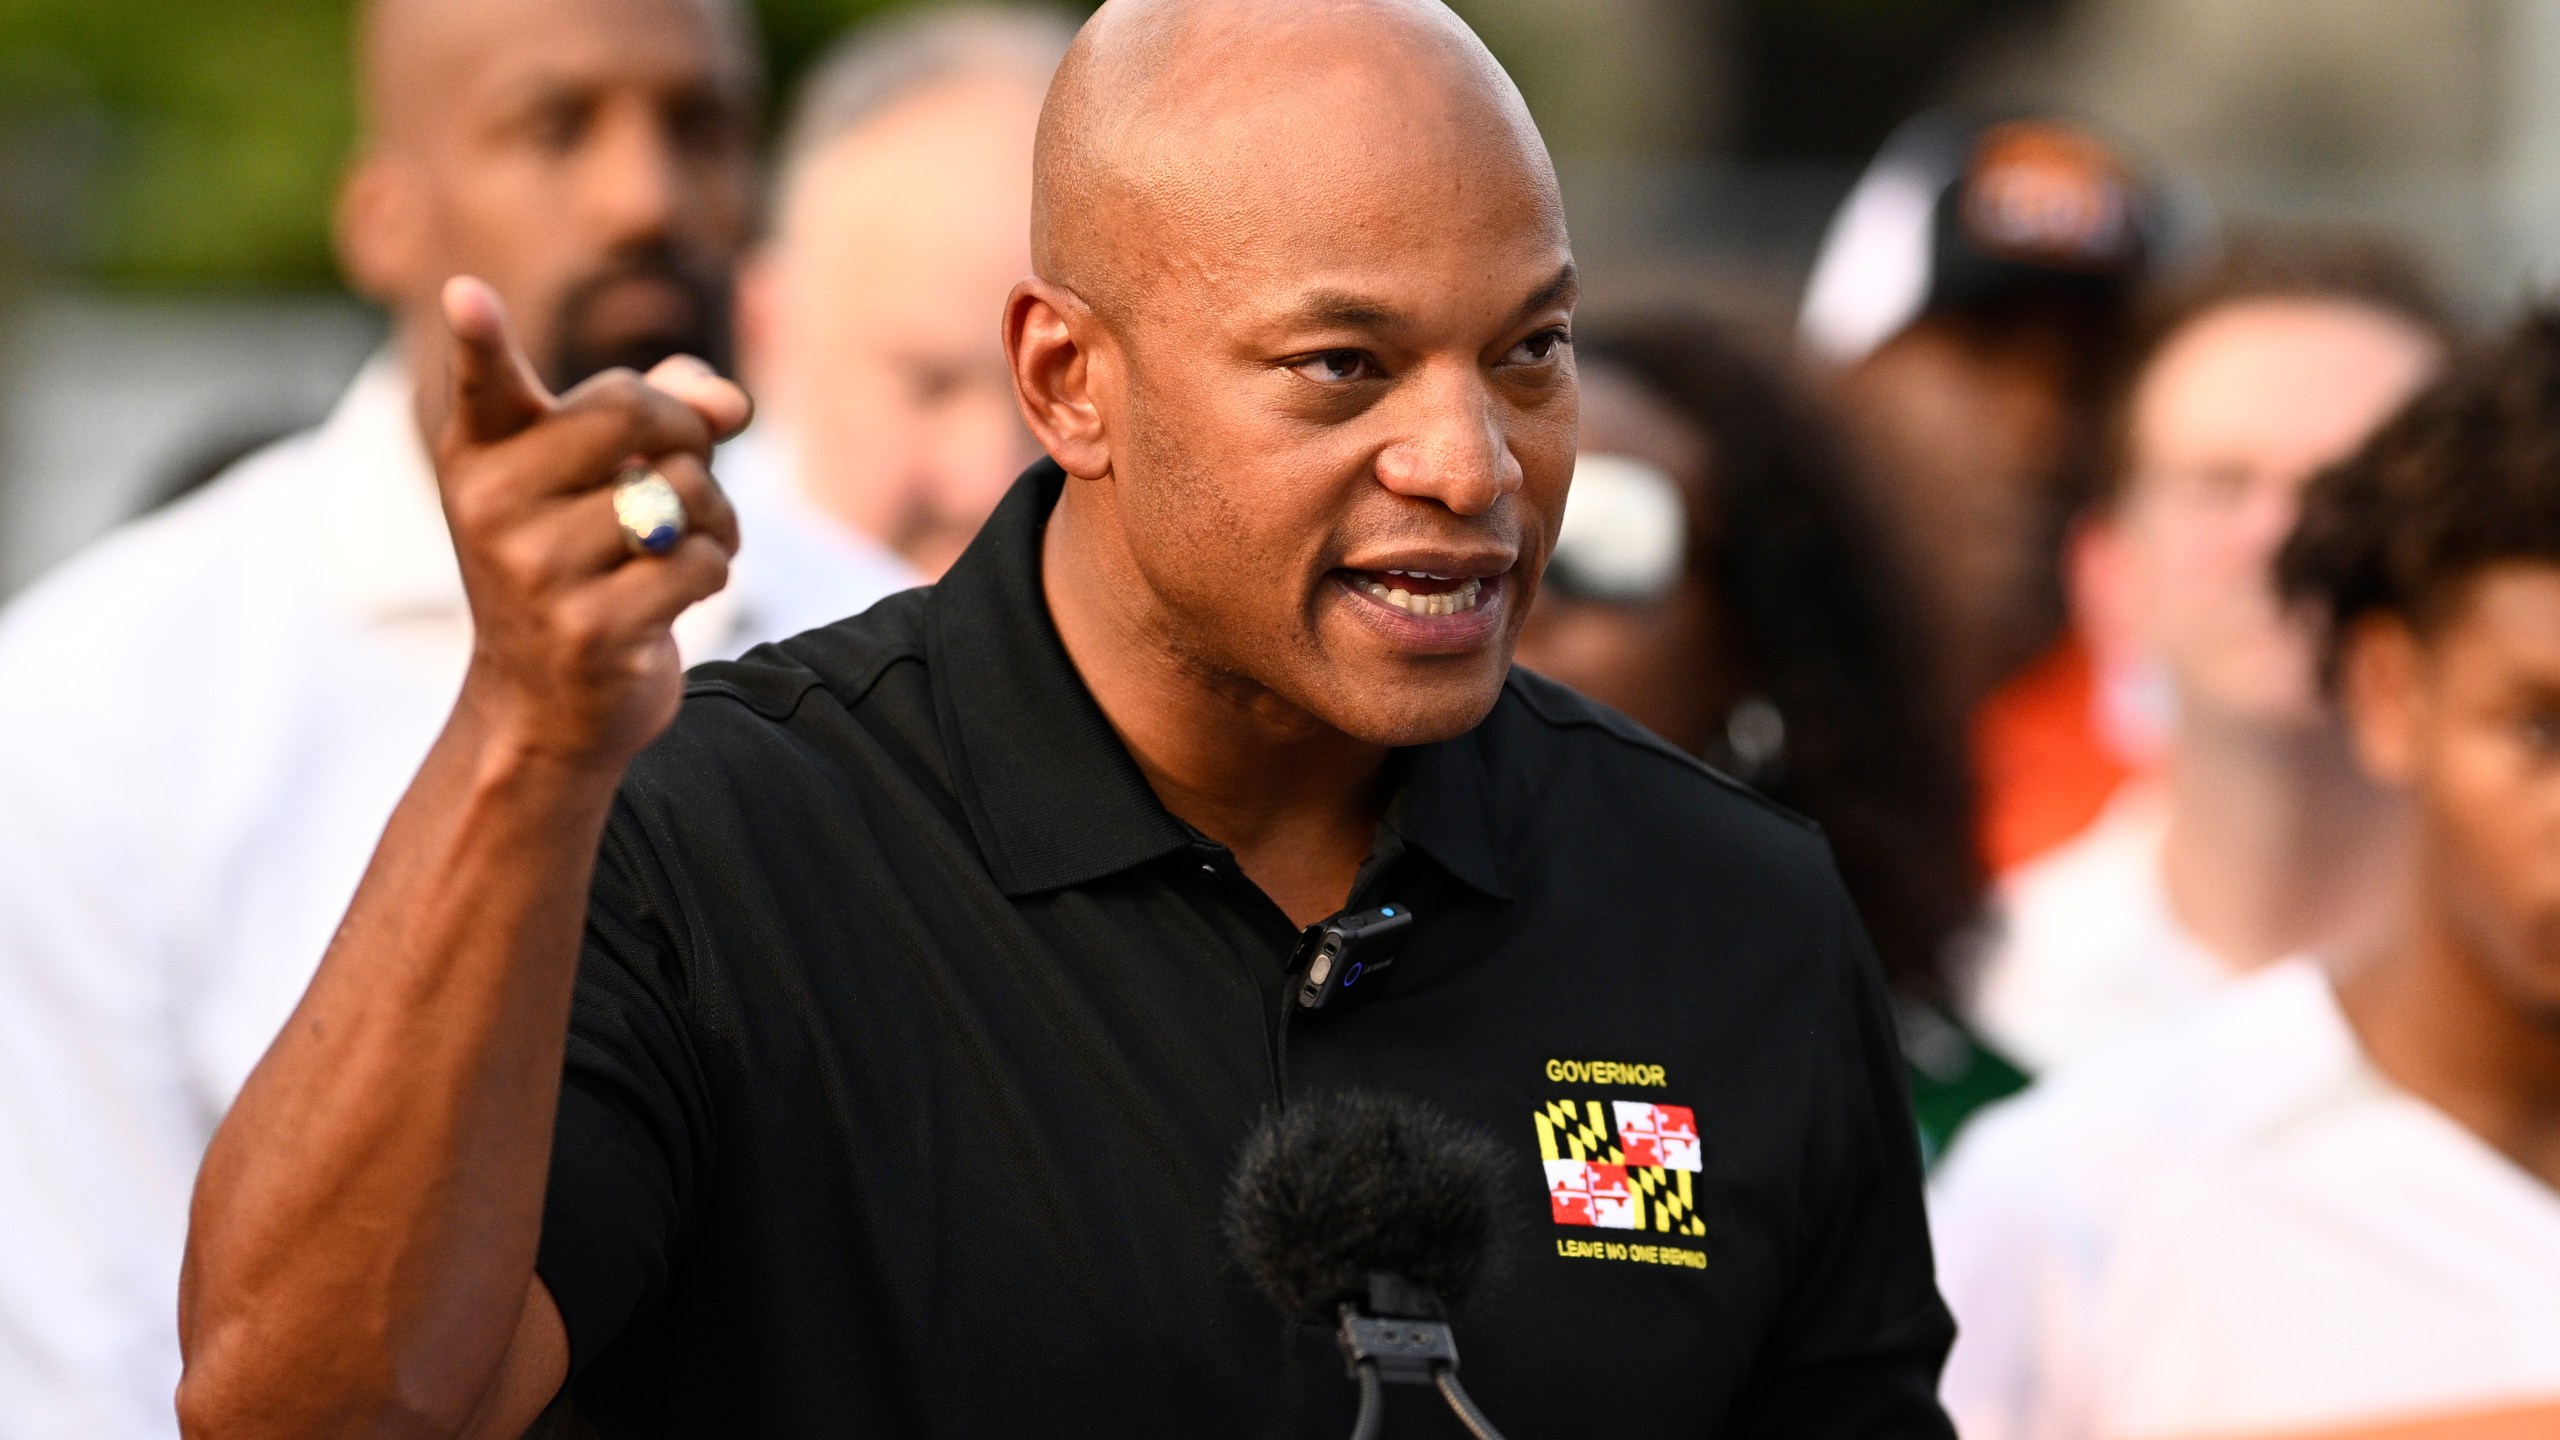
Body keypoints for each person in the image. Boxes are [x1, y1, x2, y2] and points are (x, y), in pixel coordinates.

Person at [174, 2, 1957, 1436]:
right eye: (1342, 366)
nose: (1469, 462)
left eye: (1529, 349)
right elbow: (304, 1410)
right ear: (1066, 379)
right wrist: (524, 743)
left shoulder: (1733, 914)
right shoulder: (707, 854)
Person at [0, 2, 875, 1433]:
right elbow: (90, 1381)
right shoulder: (96, 708)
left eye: (703, 125)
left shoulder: (888, 637)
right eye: (554, 126)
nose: (645, 198)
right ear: (381, 216)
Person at [1932, 305, 2560, 1440]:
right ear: (2388, 689)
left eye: (2327, 487)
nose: (2274, 536)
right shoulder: (2085, 1191)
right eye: (2540, 729)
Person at [1512, 311, 2015, 1162]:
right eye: (1469, 529)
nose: (1514, 593)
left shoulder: (1961, 1130)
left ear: (1752, 634)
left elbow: (1624, 1239)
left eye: (1598, 540)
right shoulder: (1286, 1005)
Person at [1973, 234, 2452, 1073]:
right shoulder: (1986, 1000)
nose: (2281, 535)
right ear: (2104, 571)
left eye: (2352, 490)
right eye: (2218, 487)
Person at [1801, 107, 2166, 875]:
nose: (2040, 431)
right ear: (1842, 378)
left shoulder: (2196, 790)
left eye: (2096, 373)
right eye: (1982, 350)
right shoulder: (1695, 708)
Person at [727, 4, 1075, 599]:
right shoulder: (643, 631)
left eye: (1064, 383)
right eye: (927, 387)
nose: (988, 481)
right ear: (766, 333)